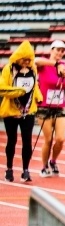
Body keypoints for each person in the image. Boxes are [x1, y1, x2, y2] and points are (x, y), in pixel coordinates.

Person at [0, 40, 42, 183]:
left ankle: (25, 170)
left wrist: (39, 96)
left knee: (27, 141)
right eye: (24, 59)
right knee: (11, 140)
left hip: (28, 111)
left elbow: (35, 87)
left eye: (29, 60)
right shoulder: (8, 69)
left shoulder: (33, 69)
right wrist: (18, 91)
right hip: (11, 112)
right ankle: (9, 169)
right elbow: (2, 88)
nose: (26, 62)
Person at [35, 40, 65, 177]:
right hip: (44, 106)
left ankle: (53, 161)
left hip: (59, 106)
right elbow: (35, 61)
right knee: (48, 139)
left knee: (60, 139)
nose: (60, 53)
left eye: (62, 51)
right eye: (58, 50)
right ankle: (44, 166)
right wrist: (54, 64)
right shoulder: (45, 64)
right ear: (51, 50)